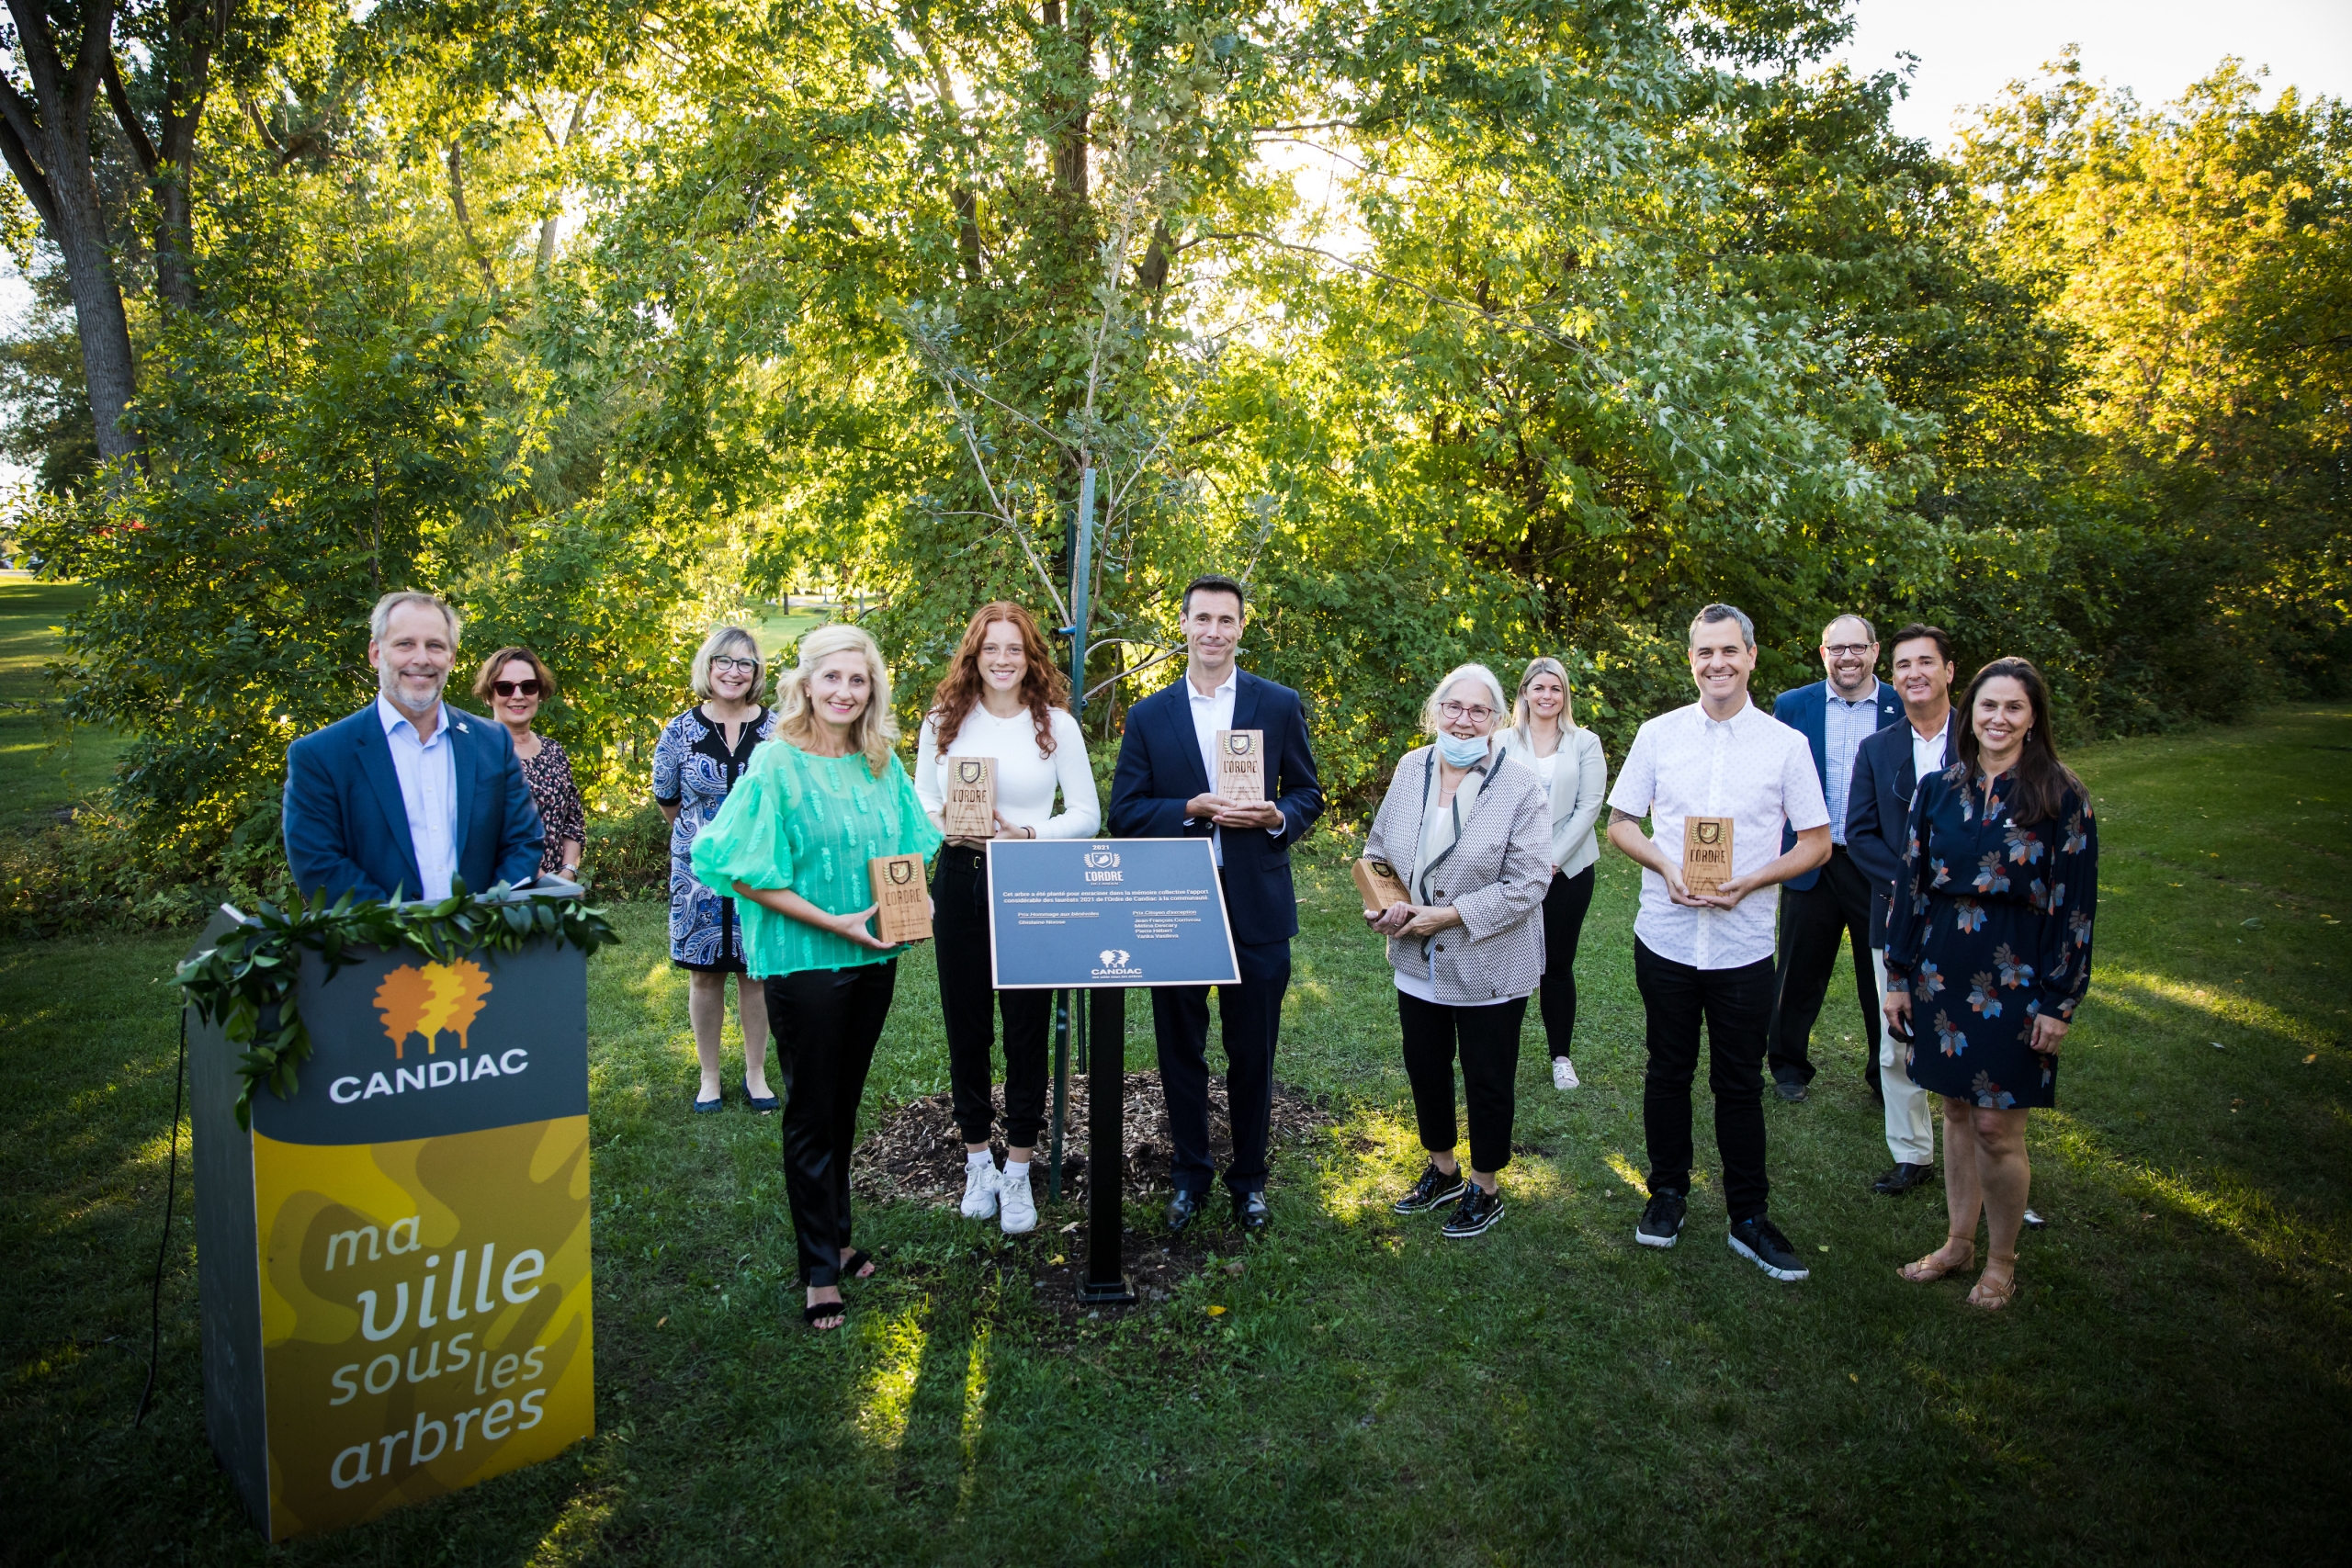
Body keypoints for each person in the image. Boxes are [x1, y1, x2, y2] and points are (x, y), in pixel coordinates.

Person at [691, 623, 943, 1331]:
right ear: (805, 683)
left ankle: (837, 1232)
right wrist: (834, 923)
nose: (844, 691)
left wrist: (917, 895)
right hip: (806, 961)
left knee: (844, 1104)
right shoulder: (775, 763)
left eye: (857, 680)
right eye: (831, 678)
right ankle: (818, 1268)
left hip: (873, 959)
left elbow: (908, 845)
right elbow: (737, 865)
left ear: (873, 689)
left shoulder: (878, 761)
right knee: (810, 1111)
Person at [1605, 604, 1830, 1283]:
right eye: (1705, 653)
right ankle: (1667, 1195)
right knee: (1666, 1070)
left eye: (1729, 651)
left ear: (1752, 656)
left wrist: (1753, 878)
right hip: (1667, 937)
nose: (1718, 664)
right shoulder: (1657, 733)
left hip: (1742, 946)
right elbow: (1620, 823)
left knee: (1739, 1083)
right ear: (1692, 659)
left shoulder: (1785, 745)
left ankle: (1748, 1217)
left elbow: (1816, 842)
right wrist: (1668, 866)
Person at [1108, 573, 1324, 1235]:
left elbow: (1308, 794)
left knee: (1252, 1049)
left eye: (1225, 620)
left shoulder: (1278, 703)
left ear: (1240, 628)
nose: (1213, 631)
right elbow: (1124, 812)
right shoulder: (1148, 714)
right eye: (1201, 618)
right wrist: (1190, 809)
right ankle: (1189, 1174)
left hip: (1256, 902)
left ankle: (1250, 1180)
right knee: (1180, 1048)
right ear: (1182, 625)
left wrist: (1274, 815)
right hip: (1176, 902)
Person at [1884, 657, 2098, 1311]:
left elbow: (2076, 906)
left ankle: (2001, 1260)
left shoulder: (2061, 794)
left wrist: (2060, 1000)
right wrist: (1898, 973)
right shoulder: (1938, 788)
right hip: (1941, 970)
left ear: (2033, 719)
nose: (1999, 718)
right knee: (1953, 1109)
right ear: (1969, 714)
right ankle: (1957, 1242)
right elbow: (1912, 884)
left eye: (2014, 707)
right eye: (1988, 706)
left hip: (2019, 976)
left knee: (1997, 1128)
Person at [914, 602, 1102, 1236]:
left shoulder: (1056, 727)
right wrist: (947, 824)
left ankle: (1018, 1168)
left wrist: (1026, 833)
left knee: (1026, 1027)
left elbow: (1085, 814)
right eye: (990, 647)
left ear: (1030, 657)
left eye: (1014, 648)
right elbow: (921, 802)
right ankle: (977, 1161)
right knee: (967, 1027)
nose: (1001, 658)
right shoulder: (943, 721)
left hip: (1030, 878)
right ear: (973, 653)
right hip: (961, 877)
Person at [1363, 665, 1551, 1238]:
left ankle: (1486, 1186)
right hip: (1416, 958)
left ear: (1498, 720)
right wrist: (1385, 903)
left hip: (1489, 957)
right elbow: (1378, 849)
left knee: (1487, 1074)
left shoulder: (1520, 784)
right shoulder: (1410, 767)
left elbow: (1531, 880)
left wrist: (1449, 915)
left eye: (1478, 711)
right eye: (1454, 707)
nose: (1463, 720)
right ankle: (1442, 1169)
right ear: (1435, 711)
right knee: (1426, 1065)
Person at [284, 591, 544, 904]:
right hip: (377, 947)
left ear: (451, 657)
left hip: (481, 945)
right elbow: (318, 864)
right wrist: (401, 933)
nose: (421, 658)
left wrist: (485, 920)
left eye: (434, 645)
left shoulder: (492, 742)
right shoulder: (321, 755)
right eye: (405, 644)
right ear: (376, 653)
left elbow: (524, 841)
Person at [1765, 614, 1905, 1103]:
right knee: (1799, 969)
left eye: (1857, 647)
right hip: (1810, 858)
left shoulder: (1900, 705)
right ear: (1823, 654)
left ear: (1874, 651)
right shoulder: (1793, 706)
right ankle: (1787, 1067)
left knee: (1882, 974)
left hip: (1877, 863)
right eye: (1837, 648)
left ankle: (1884, 1072)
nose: (1847, 657)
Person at [1846, 624, 1964, 1196]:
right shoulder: (1878, 748)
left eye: (1925, 662)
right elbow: (1859, 834)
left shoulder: (1983, 736)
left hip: (1972, 916)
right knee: (1898, 1040)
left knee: (1969, 1029)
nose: (1913, 673)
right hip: (1895, 915)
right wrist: (1911, 883)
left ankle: (1978, 1145)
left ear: (1948, 670)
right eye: (1902, 665)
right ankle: (1913, 1153)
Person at [652, 627, 778, 1112]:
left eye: (744, 663)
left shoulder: (776, 730)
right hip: (697, 877)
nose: (733, 671)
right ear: (708, 668)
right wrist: (703, 842)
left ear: (756, 673)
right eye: (724, 661)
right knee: (704, 977)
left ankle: (755, 1073)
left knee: (755, 974)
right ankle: (709, 1076)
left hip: (759, 872)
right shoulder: (678, 732)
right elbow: (670, 802)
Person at [1496, 657, 1610, 1091]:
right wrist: (1524, 861)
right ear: (1524, 692)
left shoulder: (1585, 742)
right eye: (1539, 688)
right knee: (1511, 961)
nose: (1547, 696)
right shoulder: (1500, 740)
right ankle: (1502, 1051)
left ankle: (1561, 1058)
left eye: (1555, 689)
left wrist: (1553, 859)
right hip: (1509, 870)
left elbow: (1589, 806)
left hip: (1570, 870)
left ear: (1565, 696)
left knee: (1557, 965)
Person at [473, 645, 584, 883]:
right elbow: (478, 832)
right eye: (505, 687)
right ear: (488, 695)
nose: (518, 695)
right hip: (500, 892)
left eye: (528, 686)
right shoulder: (476, 753)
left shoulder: (554, 751)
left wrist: (568, 871)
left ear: (540, 692)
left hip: (558, 891)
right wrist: (539, 879)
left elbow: (573, 821)